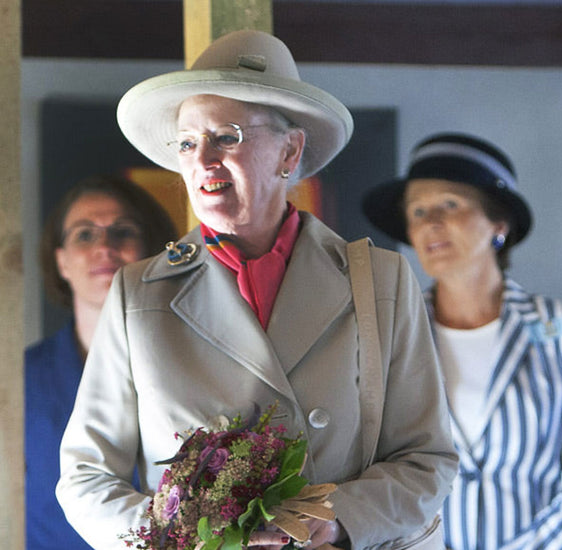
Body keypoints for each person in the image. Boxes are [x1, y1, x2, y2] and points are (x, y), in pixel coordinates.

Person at [55, 29, 458, 550]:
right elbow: (86, 480)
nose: (202, 160)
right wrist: (183, 538)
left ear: (289, 152)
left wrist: (335, 521)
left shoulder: (379, 280)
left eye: (226, 136)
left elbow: (426, 462)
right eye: (186, 142)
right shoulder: (139, 294)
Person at [362, 133, 562, 550]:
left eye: (450, 204)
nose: (430, 222)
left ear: (498, 225)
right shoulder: (392, 331)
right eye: (417, 211)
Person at [26, 174, 177, 550]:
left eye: (123, 231)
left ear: (151, 252)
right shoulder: (22, 378)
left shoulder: (188, 366)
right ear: (61, 261)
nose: (105, 246)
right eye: (84, 234)